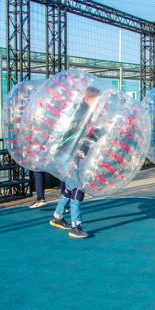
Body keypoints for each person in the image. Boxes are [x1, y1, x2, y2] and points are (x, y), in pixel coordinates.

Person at [50, 87, 102, 239]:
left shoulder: (81, 111)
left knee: (70, 187)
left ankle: (57, 216)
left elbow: (85, 134)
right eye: (96, 99)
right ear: (88, 98)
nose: (98, 103)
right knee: (78, 188)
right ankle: (76, 226)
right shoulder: (83, 113)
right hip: (68, 154)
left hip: (65, 153)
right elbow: (82, 135)